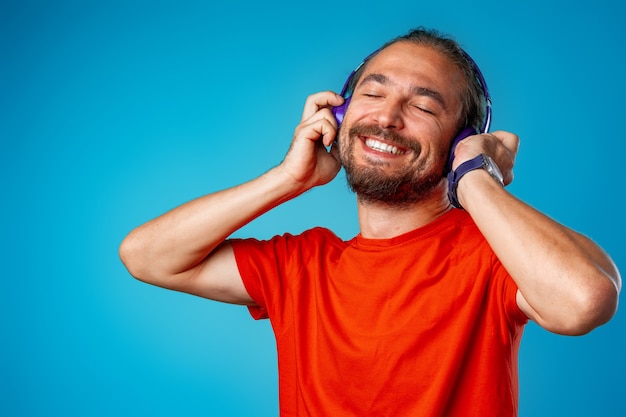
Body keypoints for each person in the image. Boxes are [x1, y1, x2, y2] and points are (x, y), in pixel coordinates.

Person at [119, 27, 621, 416]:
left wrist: (474, 177)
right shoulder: (301, 266)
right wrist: (286, 180)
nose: (387, 117)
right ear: (338, 117)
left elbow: (585, 300)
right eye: (373, 94)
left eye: (424, 105)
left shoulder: (495, 253)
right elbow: (146, 256)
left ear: (462, 137)